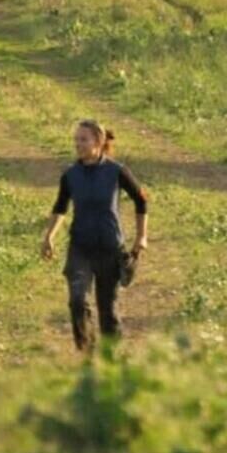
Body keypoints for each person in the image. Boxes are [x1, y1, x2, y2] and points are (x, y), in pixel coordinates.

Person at [41, 119, 149, 351]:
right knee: (77, 301)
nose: (78, 144)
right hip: (80, 248)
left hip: (110, 248)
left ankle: (112, 363)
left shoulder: (117, 171)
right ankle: (87, 353)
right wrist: (49, 236)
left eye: (83, 139)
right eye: (76, 140)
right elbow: (61, 207)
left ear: (98, 142)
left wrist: (141, 236)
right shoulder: (70, 175)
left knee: (108, 312)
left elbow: (141, 200)